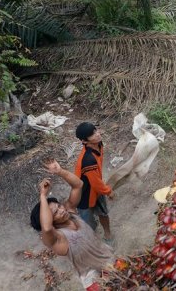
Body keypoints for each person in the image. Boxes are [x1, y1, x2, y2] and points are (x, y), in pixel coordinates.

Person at [30, 158, 114, 291]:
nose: (61, 210)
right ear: (51, 220)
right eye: (55, 213)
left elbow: (78, 185)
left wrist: (60, 171)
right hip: (93, 278)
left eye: (59, 206)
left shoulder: (70, 212)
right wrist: (42, 196)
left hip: (108, 260)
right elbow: (46, 227)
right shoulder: (57, 238)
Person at [74, 122, 114, 244]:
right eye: (92, 134)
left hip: (96, 189)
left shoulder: (99, 145)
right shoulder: (88, 160)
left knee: (103, 213)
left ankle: (108, 234)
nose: (97, 134)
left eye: (96, 131)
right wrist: (108, 191)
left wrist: (103, 189)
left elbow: (96, 182)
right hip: (84, 195)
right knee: (88, 223)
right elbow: (96, 183)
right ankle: (92, 241)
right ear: (84, 141)